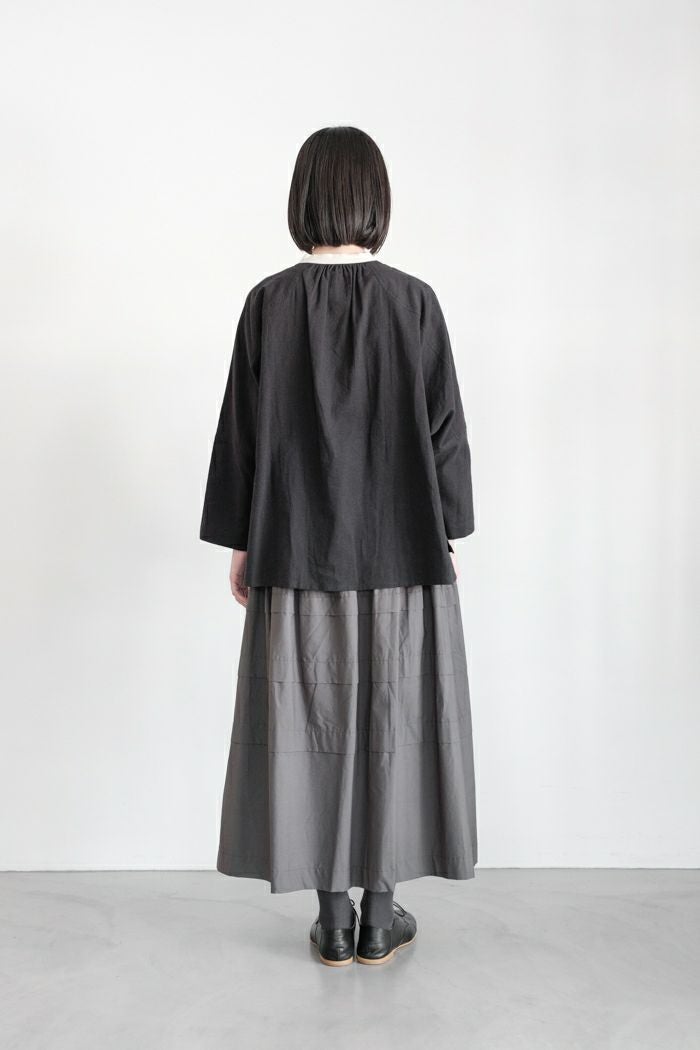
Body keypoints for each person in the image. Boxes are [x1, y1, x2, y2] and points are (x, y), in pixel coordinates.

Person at [199, 125, 478, 966]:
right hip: (402, 554)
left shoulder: (269, 303)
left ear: (303, 199)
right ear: (376, 199)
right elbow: (445, 430)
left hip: (295, 551)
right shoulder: (414, 301)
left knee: (308, 725)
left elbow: (242, 434)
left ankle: (331, 919)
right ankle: (381, 916)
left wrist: (241, 542)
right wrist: (447, 532)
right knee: (394, 723)